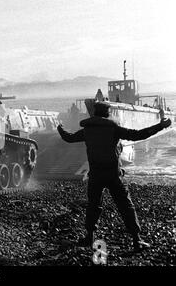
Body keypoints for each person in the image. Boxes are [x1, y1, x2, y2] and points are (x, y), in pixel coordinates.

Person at [57, 102, 172, 252]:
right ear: (107, 114)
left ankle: (89, 237)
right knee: (126, 206)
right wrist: (160, 126)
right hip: (113, 175)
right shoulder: (113, 129)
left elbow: (69, 138)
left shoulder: (87, 130)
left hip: (95, 175)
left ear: (95, 113)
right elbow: (138, 134)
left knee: (93, 205)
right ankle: (137, 240)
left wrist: (60, 128)